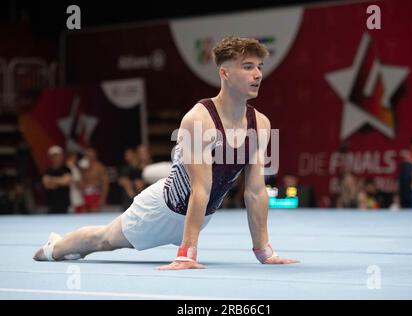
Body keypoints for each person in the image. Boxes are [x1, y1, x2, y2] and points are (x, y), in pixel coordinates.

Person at [33, 36, 299, 269]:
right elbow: (200, 190)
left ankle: (60, 246)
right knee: (104, 240)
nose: (258, 74)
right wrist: (187, 253)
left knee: (105, 238)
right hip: (161, 210)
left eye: (260, 67)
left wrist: (264, 252)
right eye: (248, 66)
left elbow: (254, 192)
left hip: (199, 216)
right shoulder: (200, 119)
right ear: (225, 73)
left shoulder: (260, 124)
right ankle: (53, 248)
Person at [78, 147, 109, 212]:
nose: (89, 157)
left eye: (91, 155)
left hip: (96, 195)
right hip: (85, 195)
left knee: (94, 216)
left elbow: (105, 184)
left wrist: (102, 199)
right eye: (88, 155)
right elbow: (81, 182)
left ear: (95, 156)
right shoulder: (83, 168)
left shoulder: (100, 167)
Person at [42, 146, 71, 213]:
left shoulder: (66, 169)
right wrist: (60, 180)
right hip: (51, 203)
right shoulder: (48, 171)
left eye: (58, 156)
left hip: (64, 203)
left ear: (62, 156)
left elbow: (66, 182)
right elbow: (46, 185)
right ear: (50, 158)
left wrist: (52, 180)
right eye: (54, 156)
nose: (56, 158)